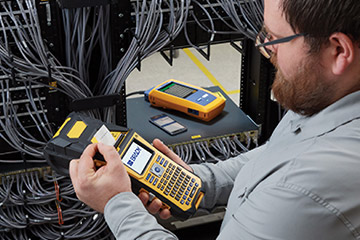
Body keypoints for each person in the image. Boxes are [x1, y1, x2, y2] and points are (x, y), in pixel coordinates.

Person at [69, 0, 360, 239]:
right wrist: (198, 183)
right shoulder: (330, 94)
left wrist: (117, 204)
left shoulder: (312, 187)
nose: (266, 50)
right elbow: (275, 156)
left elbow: (290, 179)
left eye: (275, 38)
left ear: (338, 51)